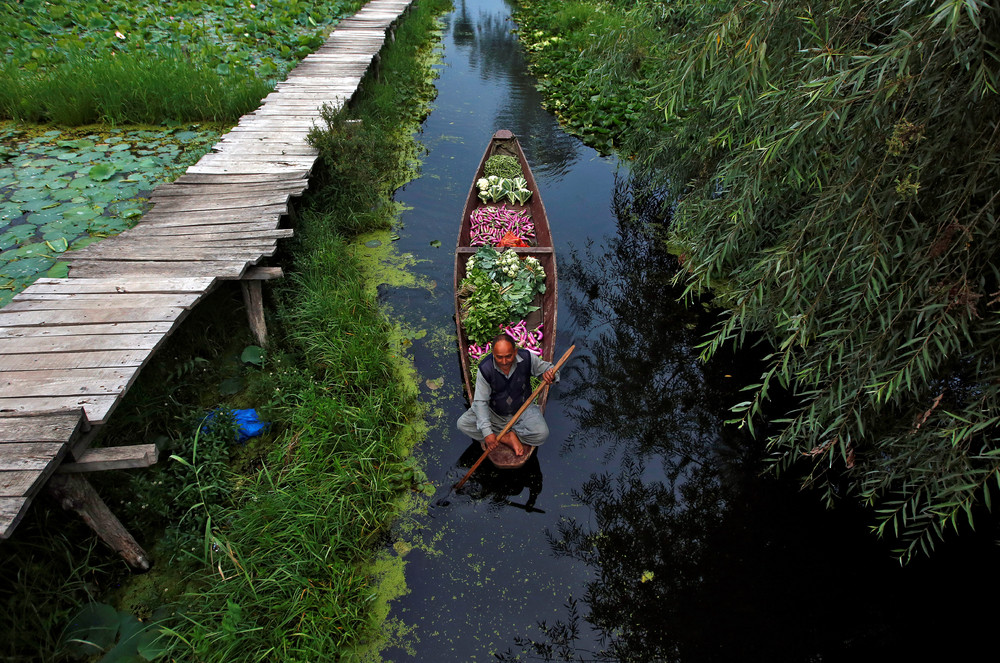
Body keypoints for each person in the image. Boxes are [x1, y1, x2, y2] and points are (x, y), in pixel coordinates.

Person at [457, 332, 557, 457]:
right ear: (493, 354)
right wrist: (488, 433)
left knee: (542, 434)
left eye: (508, 356)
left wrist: (550, 375)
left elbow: (549, 369)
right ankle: (506, 437)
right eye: (499, 357)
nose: (504, 362)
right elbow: (480, 402)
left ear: (515, 352)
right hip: (495, 413)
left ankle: (504, 434)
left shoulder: (527, 358)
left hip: (523, 409)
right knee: (463, 424)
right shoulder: (485, 369)